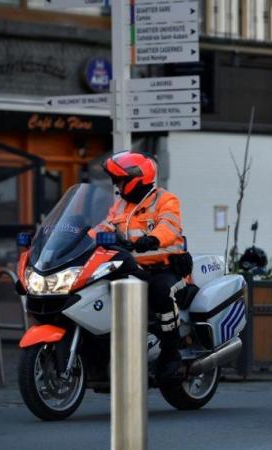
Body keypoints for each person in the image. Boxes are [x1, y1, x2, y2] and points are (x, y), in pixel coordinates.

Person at [96, 151, 191, 383]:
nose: (116, 185)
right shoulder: (119, 207)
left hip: (167, 269)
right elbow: (103, 229)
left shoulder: (165, 200)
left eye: (120, 179)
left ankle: (171, 353)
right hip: (133, 269)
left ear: (136, 177)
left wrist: (153, 238)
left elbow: (169, 225)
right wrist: (83, 238)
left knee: (161, 293)